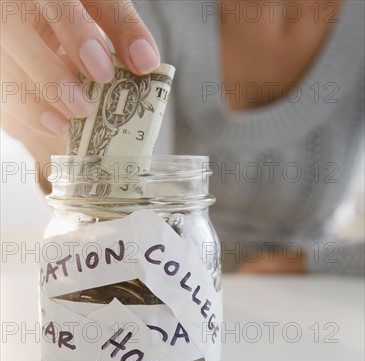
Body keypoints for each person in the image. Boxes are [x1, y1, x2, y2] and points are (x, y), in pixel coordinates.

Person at [1, 0, 364, 275]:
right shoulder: (144, 10)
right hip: (149, 305)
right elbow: (136, 217)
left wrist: (302, 265)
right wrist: (62, 140)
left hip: (306, 315)